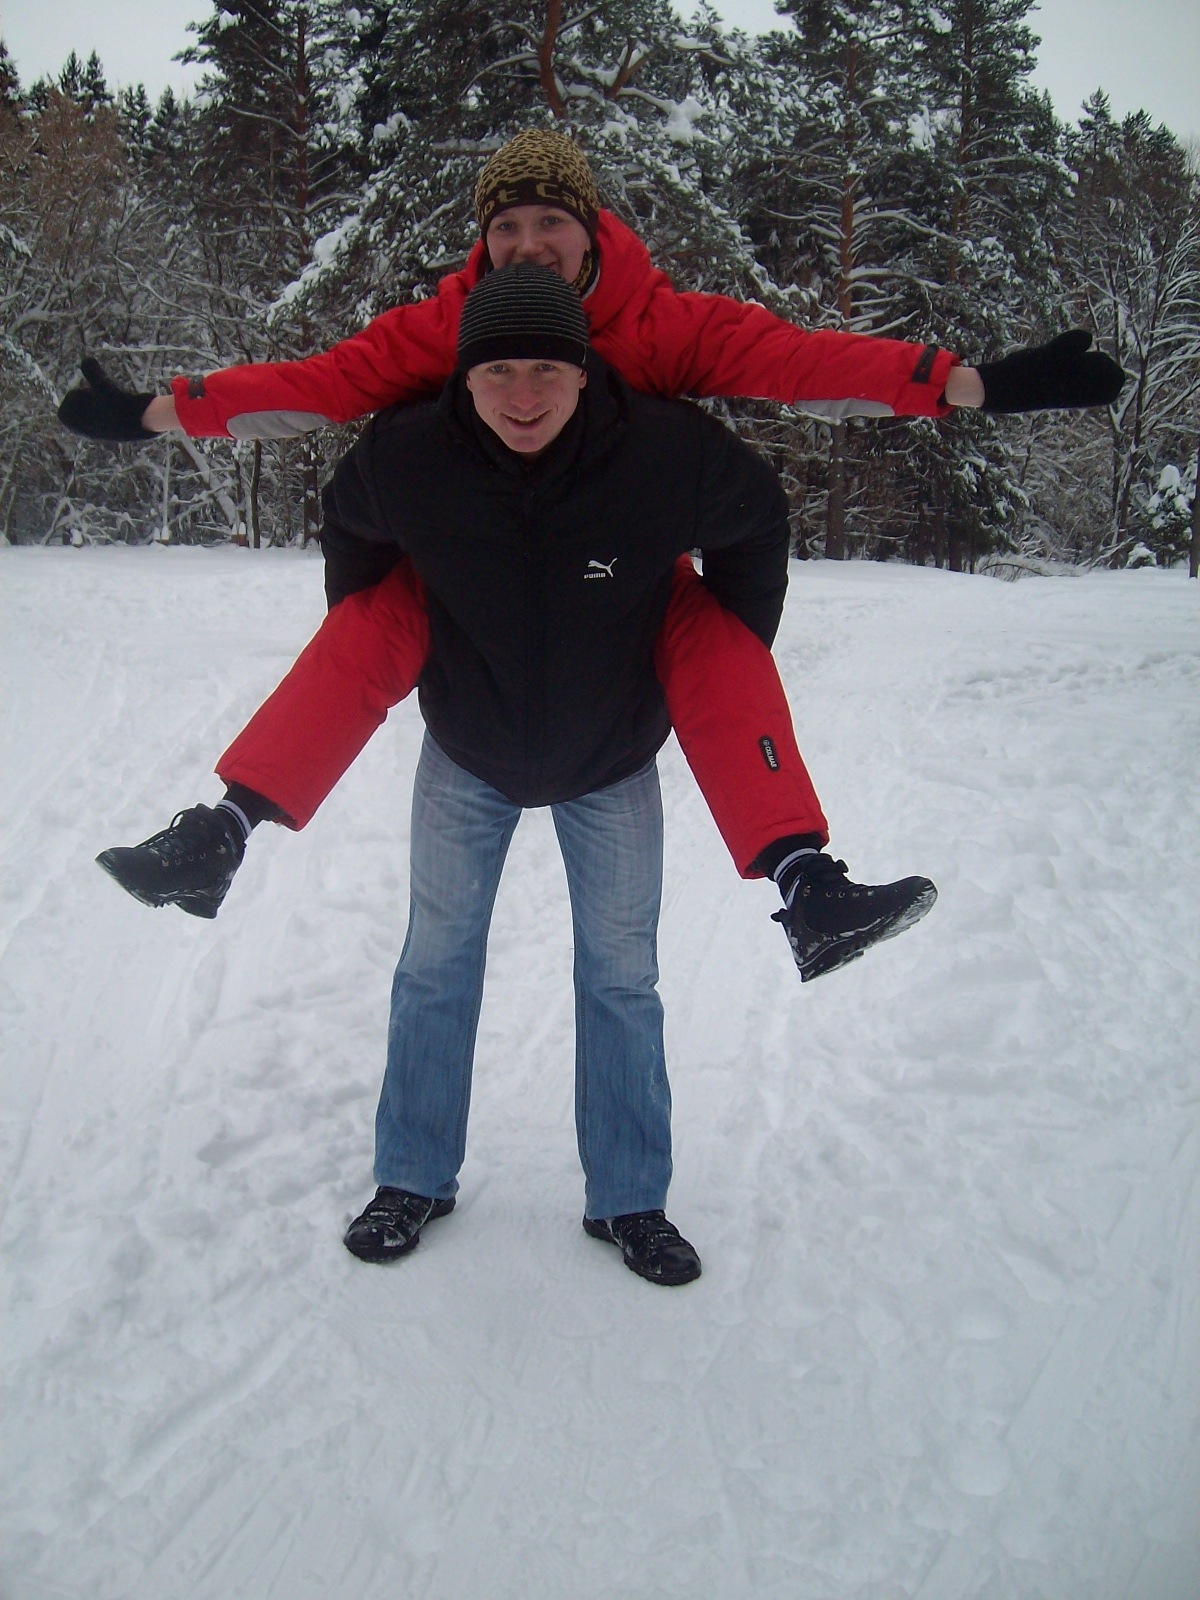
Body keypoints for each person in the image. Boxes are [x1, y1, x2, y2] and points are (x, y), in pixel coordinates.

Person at [67, 131, 1123, 979]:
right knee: (374, 623)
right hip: (480, 565)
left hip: (617, 570)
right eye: (507, 226)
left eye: (551, 224)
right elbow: (321, 384)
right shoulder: (449, 327)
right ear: (484, 240)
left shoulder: (655, 324)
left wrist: (974, 385)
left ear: (590, 233)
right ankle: (222, 829)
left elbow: (798, 362)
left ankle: (809, 884)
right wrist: (158, 413)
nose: (529, 245)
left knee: (709, 639)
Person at [319, 260, 870, 1281]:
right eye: (497, 371)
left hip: (612, 752)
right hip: (468, 749)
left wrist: (722, 645)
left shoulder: (662, 453)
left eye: (546, 369)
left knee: (621, 977)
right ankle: (411, 1176)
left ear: (584, 371)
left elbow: (757, 521)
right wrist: (405, 630)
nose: (522, 395)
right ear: (464, 378)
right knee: (435, 964)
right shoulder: (410, 455)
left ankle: (629, 1198)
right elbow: (349, 526)